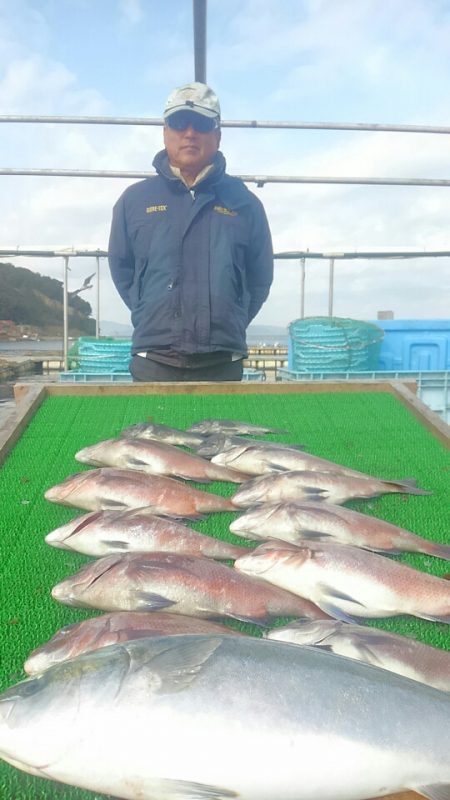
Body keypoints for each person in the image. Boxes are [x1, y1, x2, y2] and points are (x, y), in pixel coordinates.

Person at [108, 82, 273, 382]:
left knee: (223, 431)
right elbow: (122, 270)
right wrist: (148, 312)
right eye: (178, 122)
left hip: (223, 359)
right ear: (164, 131)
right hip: (153, 359)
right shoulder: (133, 201)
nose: (189, 132)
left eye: (201, 123)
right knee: (148, 431)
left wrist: (231, 317)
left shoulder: (246, 203)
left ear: (217, 135)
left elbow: (260, 278)